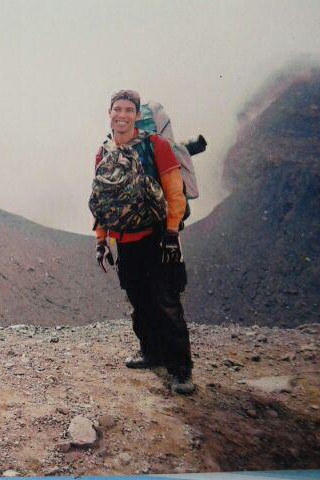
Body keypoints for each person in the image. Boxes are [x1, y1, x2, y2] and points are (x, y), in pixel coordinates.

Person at [93, 89, 195, 394]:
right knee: (139, 300)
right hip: (125, 241)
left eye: (128, 110)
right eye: (117, 109)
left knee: (166, 302)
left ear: (137, 115)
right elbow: (102, 200)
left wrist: (172, 234)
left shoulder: (156, 146)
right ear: (109, 113)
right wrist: (101, 240)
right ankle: (151, 352)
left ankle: (181, 370)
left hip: (157, 237)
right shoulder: (103, 152)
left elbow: (174, 192)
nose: (122, 115)